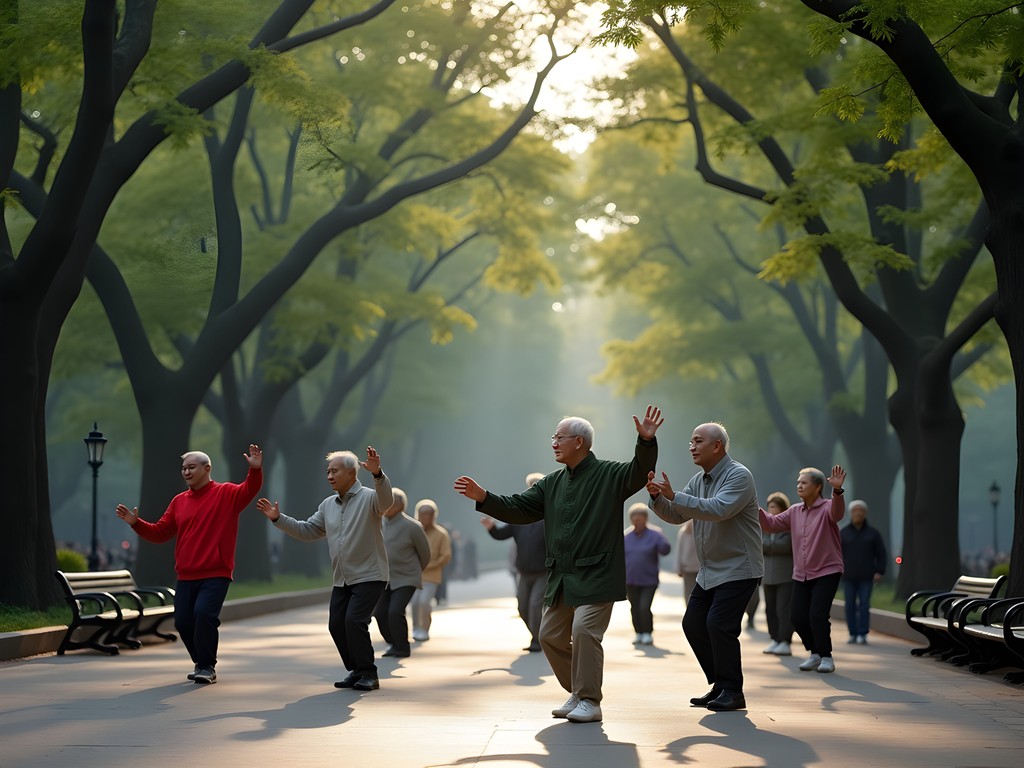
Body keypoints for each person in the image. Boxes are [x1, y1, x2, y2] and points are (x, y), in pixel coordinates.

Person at [454, 405, 664, 724]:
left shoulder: (610, 474)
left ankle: (590, 700)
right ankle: (579, 691)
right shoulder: (551, 483)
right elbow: (519, 509)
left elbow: (639, 470)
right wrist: (485, 497)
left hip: (598, 574)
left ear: (579, 442)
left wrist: (646, 442)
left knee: (583, 632)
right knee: (549, 635)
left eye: (559, 437)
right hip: (562, 576)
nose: (553, 442)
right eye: (554, 437)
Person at [115, 445, 264, 685]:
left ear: (207, 468)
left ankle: (207, 666)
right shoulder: (179, 501)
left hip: (216, 572)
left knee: (204, 613)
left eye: (191, 467)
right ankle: (201, 661)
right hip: (186, 574)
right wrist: (136, 523)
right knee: (183, 622)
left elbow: (249, 489)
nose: (186, 472)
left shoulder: (226, 493)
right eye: (183, 468)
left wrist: (255, 471)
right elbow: (160, 533)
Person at [255, 447, 392, 692]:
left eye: (335, 470)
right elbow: (308, 530)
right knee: (336, 624)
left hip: (370, 574)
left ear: (352, 473)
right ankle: (357, 669)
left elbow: (386, 502)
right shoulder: (328, 504)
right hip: (342, 578)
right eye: (327, 471)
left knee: (354, 620)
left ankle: (369, 673)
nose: (329, 475)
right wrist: (278, 519)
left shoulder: (370, 497)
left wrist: (378, 475)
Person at [646, 422, 762, 712]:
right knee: (694, 624)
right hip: (710, 570)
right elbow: (676, 514)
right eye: (690, 441)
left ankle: (733, 691)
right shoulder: (699, 479)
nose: (691, 446)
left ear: (717, 446)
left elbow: (718, 509)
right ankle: (721, 685)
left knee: (718, 625)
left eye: (698, 441)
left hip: (739, 567)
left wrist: (675, 496)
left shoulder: (739, 475)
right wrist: (658, 497)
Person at [759, 466, 847, 674]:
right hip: (801, 573)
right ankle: (815, 653)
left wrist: (838, 491)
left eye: (804, 482)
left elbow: (838, 513)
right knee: (797, 617)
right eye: (798, 482)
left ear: (817, 487)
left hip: (827, 570)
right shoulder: (795, 511)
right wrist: (751, 505)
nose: (799, 485)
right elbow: (771, 524)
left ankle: (826, 656)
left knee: (817, 614)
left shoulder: (827, 507)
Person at [480, 473, 548, 653]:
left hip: (543, 572)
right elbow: (502, 534)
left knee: (535, 606)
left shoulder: (550, 517)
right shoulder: (520, 517)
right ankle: (539, 635)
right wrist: (492, 527)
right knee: (522, 607)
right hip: (524, 572)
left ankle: (538, 640)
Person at [373, 488, 430, 658]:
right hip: (384, 578)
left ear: (399, 505)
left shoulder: (413, 526)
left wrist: (415, 571)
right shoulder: (377, 523)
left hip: (407, 577)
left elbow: (425, 554)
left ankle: (403, 647)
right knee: (380, 612)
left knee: (395, 611)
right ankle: (394, 643)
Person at [624, 503, 671, 646]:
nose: (637, 521)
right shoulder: (626, 536)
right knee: (634, 607)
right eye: (634, 518)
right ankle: (638, 632)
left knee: (644, 607)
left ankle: (647, 633)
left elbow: (665, 549)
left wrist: (663, 544)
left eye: (640, 518)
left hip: (649, 580)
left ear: (646, 519)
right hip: (630, 580)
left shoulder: (655, 534)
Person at [841, 499, 887, 645]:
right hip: (848, 576)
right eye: (855, 510)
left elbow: (881, 554)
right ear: (851, 513)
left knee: (864, 604)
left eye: (861, 510)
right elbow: (836, 553)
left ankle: (862, 633)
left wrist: (879, 571)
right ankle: (852, 632)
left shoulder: (873, 534)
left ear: (865, 513)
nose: (858, 513)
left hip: (867, 576)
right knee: (849, 605)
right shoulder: (843, 532)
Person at [410, 499, 451, 641]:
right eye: (422, 514)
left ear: (433, 515)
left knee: (424, 602)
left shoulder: (441, 534)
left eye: (428, 514)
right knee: (414, 602)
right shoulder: (414, 531)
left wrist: (431, 564)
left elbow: (446, 555)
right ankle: (416, 628)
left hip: (432, 577)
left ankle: (424, 628)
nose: (424, 517)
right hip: (415, 576)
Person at [761, 491, 795, 656]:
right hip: (768, 576)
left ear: (782, 509)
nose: (770, 509)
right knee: (770, 609)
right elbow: (757, 546)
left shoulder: (790, 527)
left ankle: (785, 641)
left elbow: (786, 547)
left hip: (786, 576)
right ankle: (774, 638)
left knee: (784, 609)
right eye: (769, 507)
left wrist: (767, 547)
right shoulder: (765, 528)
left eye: (773, 506)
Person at [675, 520, 699, 604]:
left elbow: (679, 551)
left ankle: (691, 611)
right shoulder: (685, 531)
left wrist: (678, 568)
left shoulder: (684, 531)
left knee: (689, 592)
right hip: (696, 567)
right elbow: (679, 550)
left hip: (689, 567)